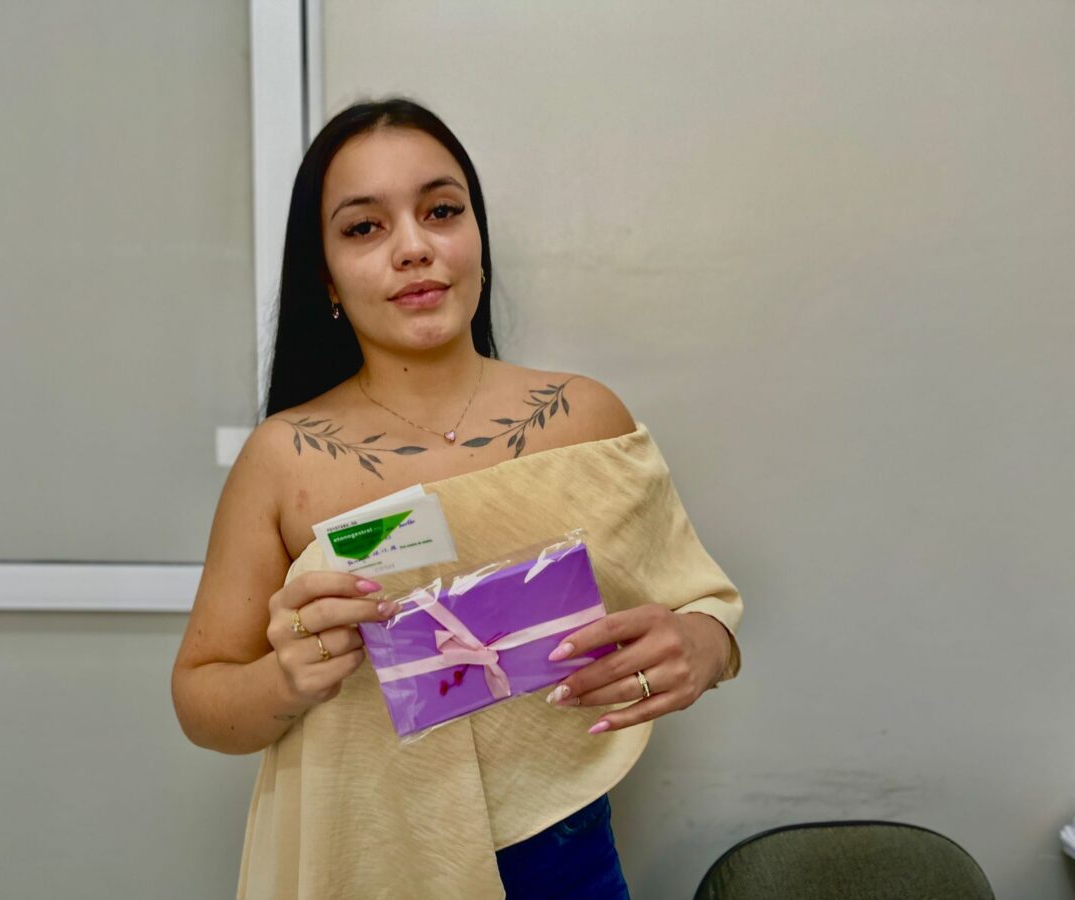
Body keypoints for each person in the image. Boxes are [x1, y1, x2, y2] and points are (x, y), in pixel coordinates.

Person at [170, 97, 742, 900]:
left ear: (477, 238)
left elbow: (705, 604)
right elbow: (201, 698)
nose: (413, 248)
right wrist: (285, 680)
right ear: (325, 275)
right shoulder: (282, 458)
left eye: (441, 211)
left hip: (565, 864)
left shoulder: (585, 419)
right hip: (367, 866)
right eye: (364, 227)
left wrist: (703, 646)